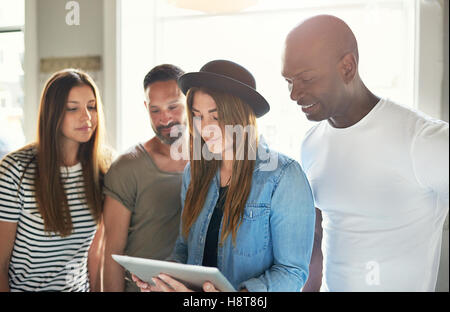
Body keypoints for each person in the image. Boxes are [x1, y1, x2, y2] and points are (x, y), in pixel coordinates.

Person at [282, 15, 449, 291]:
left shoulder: (422, 140)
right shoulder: (311, 143)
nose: (293, 94)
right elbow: (317, 235)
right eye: (288, 81)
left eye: (306, 79)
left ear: (347, 67)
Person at [132, 59, 316, 292]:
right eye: (197, 116)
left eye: (216, 116)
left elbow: (292, 272)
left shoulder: (284, 177)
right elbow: (184, 248)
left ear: (240, 116)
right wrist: (164, 279)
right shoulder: (194, 173)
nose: (205, 127)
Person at [0, 68, 111, 291]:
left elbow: (96, 256)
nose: (87, 117)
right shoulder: (14, 171)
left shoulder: (104, 167)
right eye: (73, 108)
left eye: (91, 107)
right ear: (53, 113)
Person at [102, 64, 188, 292]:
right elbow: (112, 253)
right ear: (145, 108)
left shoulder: (211, 162)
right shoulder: (127, 167)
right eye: (155, 110)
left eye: (173, 107)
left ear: (190, 102)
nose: (165, 119)